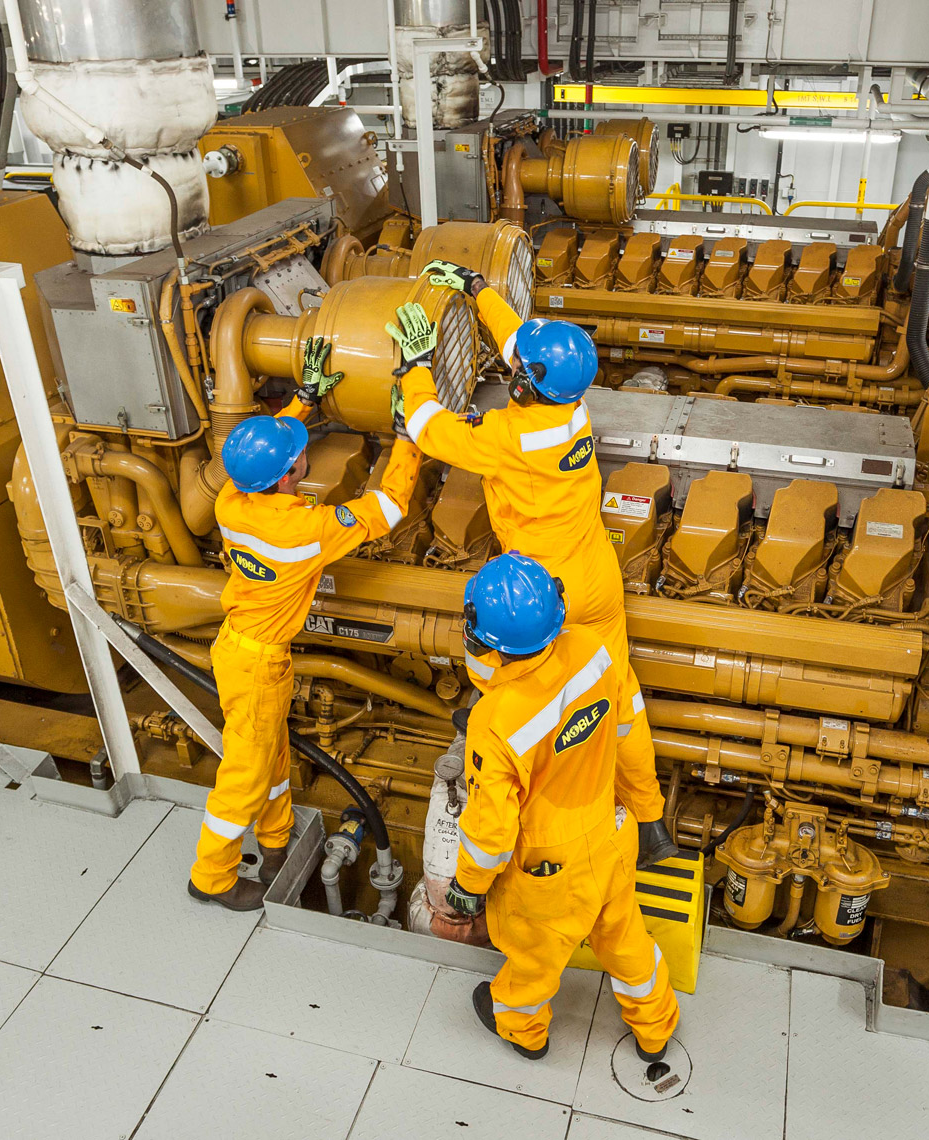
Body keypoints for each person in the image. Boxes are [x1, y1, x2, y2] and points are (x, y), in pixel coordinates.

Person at [389, 269, 675, 869]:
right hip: (596, 571)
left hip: (546, 589)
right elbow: (519, 338)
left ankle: (494, 730)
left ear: (525, 384)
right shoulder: (571, 403)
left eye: (518, 372)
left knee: (515, 668)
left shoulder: (510, 436)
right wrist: (476, 287)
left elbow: (429, 429)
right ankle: (650, 824)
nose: (512, 371)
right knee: (622, 703)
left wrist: (412, 366)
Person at [189, 338, 422, 911]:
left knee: (268, 756)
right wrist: (412, 436)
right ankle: (210, 877)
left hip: (237, 648)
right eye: (298, 456)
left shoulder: (231, 502)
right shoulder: (305, 530)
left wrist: (303, 400)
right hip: (260, 660)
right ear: (292, 477)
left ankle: (273, 843)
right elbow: (388, 508)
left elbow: (258, 455)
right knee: (244, 772)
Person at [444, 552, 682, 1061]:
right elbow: (632, 735)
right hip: (609, 829)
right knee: (624, 937)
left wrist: (468, 886)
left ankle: (523, 1032)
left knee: (533, 957)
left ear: (483, 637)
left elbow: (491, 829)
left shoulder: (496, 719)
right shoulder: (593, 651)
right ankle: (656, 1027)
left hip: (548, 867)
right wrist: (647, 811)